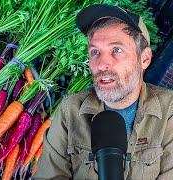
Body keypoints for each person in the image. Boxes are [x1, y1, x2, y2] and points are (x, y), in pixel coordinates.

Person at [33, 4, 173, 180]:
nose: (101, 64)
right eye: (95, 52)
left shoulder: (169, 111)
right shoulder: (71, 109)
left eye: (117, 50)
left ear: (144, 59)